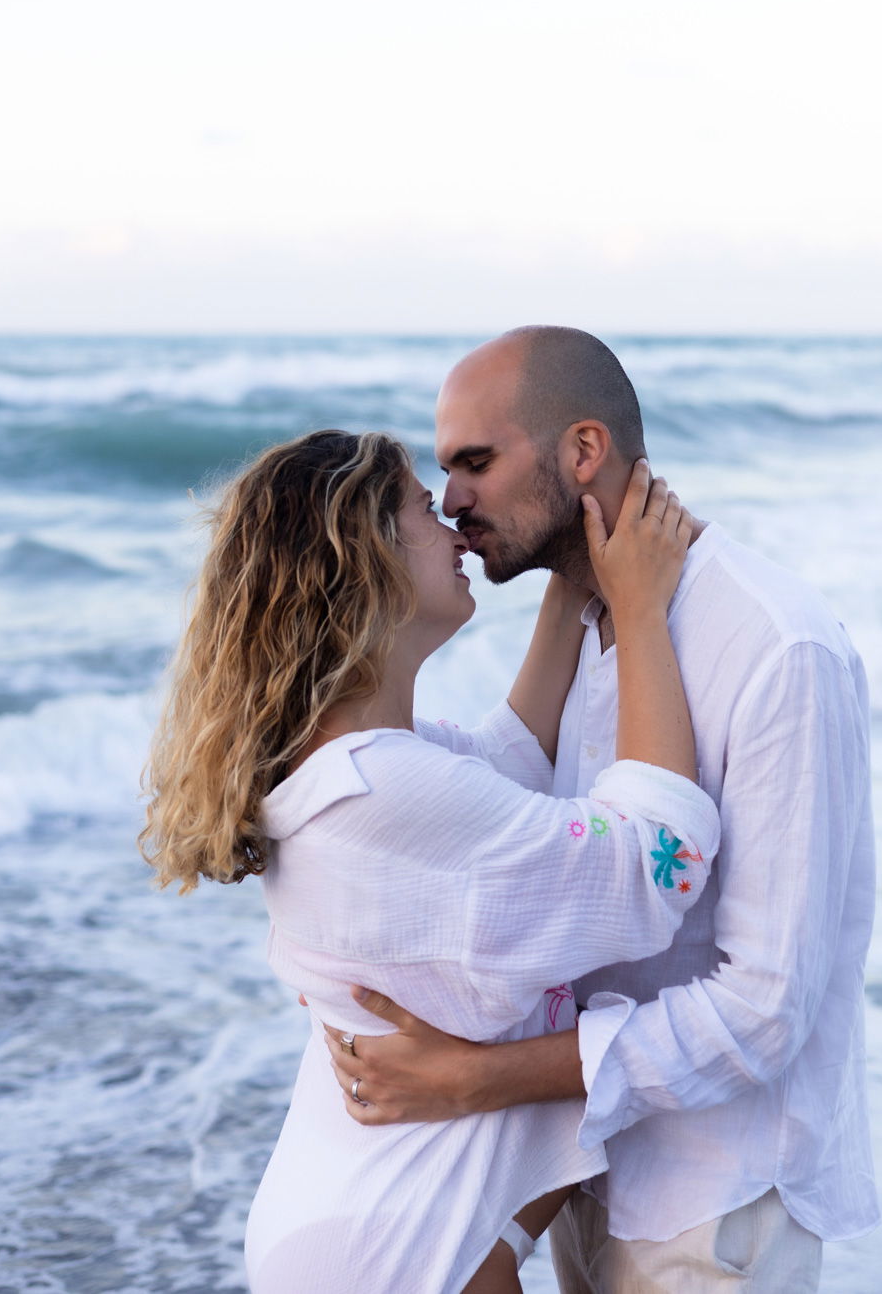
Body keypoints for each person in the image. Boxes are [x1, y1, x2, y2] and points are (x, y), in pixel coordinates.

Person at [323, 328, 878, 1294]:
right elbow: (511, 804)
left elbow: (765, 1011)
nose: (451, 500)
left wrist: (475, 1080)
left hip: (713, 1210)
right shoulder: (584, 623)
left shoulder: (774, 646)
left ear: (582, 452)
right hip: (581, 1177)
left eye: (475, 463)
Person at [139, 427, 722, 1293]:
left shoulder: (345, 766)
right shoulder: (386, 792)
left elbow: (508, 763)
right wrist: (638, 612)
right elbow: (659, 864)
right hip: (391, 1247)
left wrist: (573, 580)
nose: (454, 522)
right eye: (423, 509)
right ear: (363, 559)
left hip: (359, 1224)